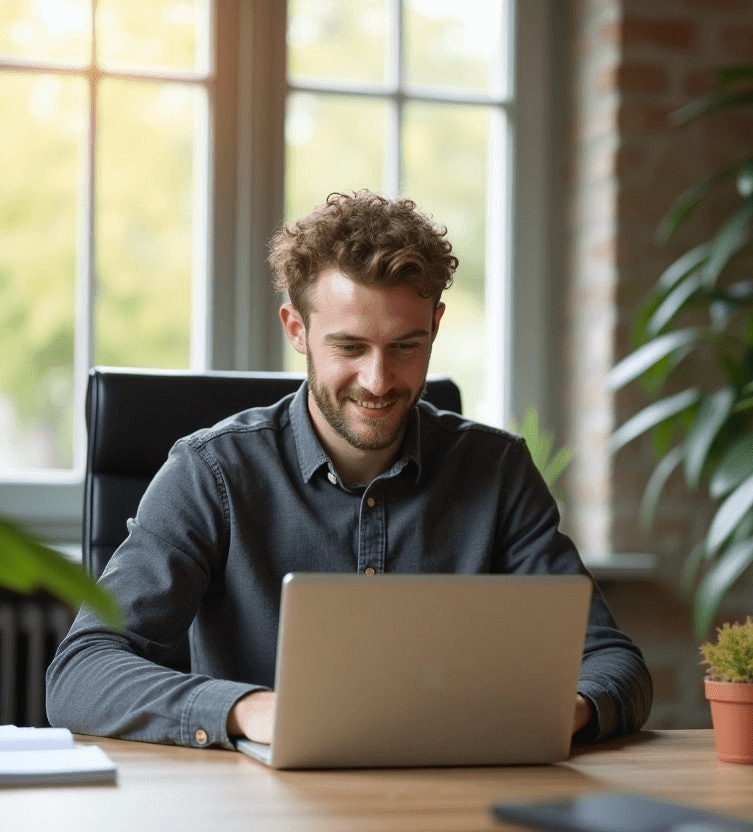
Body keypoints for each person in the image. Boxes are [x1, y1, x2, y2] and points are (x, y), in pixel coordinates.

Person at [46, 190, 652, 748]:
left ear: (435, 327)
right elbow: (80, 672)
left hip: (448, 802)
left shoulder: (497, 472)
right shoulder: (211, 473)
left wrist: (554, 711)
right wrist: (249, 710)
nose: (379, 380)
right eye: (350, 347)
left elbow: (611, 662)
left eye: (405, 346)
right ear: (297, 330)